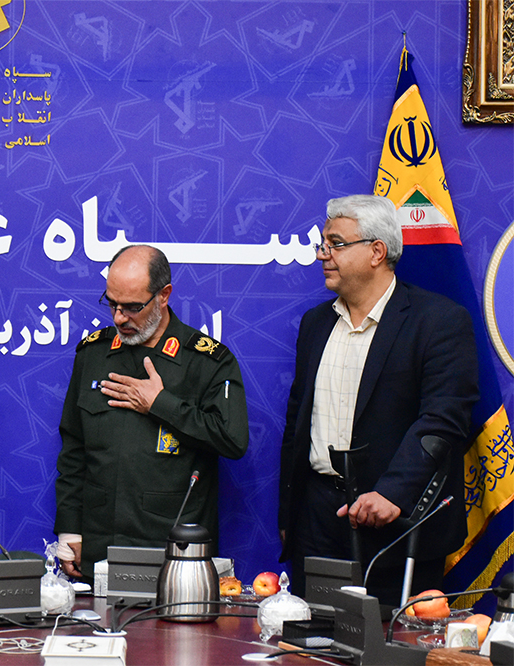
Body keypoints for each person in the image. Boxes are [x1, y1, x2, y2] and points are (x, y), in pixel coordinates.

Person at [278, 195, 479, 605]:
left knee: (391, 637)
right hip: (316, 521)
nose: (322, 254)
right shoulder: (315, 324)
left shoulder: (438, 321)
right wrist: (289, 514)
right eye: (322, 244)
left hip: (396, 523)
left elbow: (443, 420)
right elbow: (297, 421)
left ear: (376, 252)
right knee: (312, 635)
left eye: (335, 243)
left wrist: (392, 493)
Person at [54, 245, 250, 579]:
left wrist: (160, 404)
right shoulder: (93, 354)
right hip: (99, 545)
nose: (119, 318)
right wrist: (70, 529)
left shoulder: (207, 361)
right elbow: (74, 449)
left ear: (163, 296)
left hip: (173, 550)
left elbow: (233, 440)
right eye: (112, 304)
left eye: (133, 307)